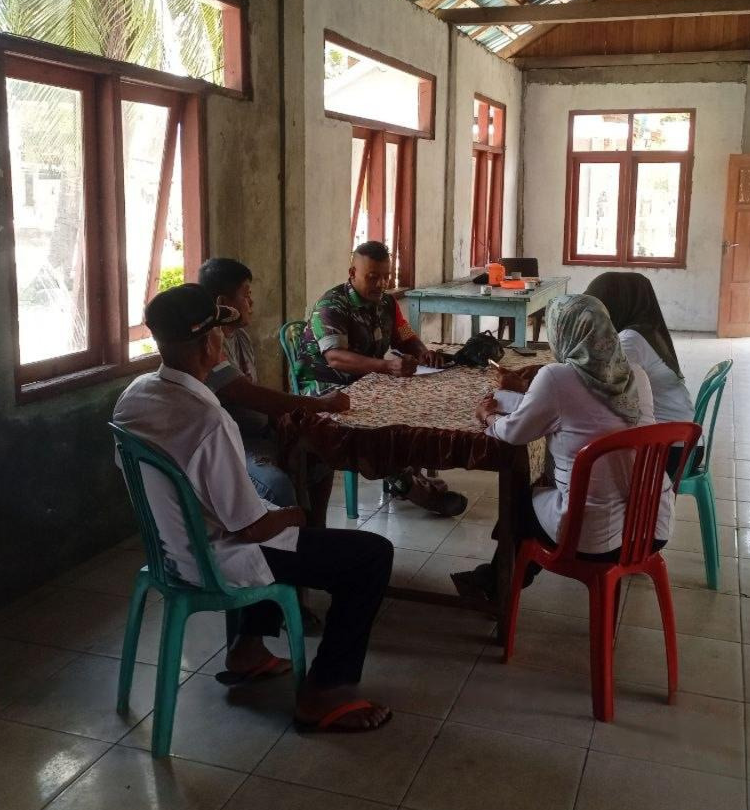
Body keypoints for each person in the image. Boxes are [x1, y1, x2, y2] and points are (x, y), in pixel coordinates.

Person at [113, 284, 393, 731]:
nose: (222, 340)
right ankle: (324, 692)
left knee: (277, 519)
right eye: (219, 333)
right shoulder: (208, 420)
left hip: (168, 551)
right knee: (370, 556)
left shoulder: (136, 395)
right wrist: (296, 515)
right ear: (210, 344)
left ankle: (248, 650)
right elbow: (252, 529)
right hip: (213, 558)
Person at [451, 294, 671, 603]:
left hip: (594, 537)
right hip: (652, 527)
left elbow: (514, 433)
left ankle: (500, 584)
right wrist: (522, 397)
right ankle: (495, 579)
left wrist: (487, 416)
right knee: (539, 499)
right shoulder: (635, 375)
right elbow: (579, 408)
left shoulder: (557, 377)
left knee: (521, 502)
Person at [297, 241, 467, 517]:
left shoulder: (386, 302)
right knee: (379, 419)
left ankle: (408, 470)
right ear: (352, 273)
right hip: (326, 387)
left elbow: (405, 336)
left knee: (417, 400)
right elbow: (335, 357)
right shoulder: (331, 305)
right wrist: (386, 366)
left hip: (368, 381)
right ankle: (411, 486)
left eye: (386, 277)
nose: (380, 284)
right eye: (372, 277)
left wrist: (423, 353)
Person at [197, 257, 346, 521]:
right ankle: (291, 543)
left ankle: (316, 533)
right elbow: (246, 394)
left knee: (321, 451)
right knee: (276, 487)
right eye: (246, 295)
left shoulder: (240, 337)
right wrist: (321, 404)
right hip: (235, 441)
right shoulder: (209, 346)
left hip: (260, 431)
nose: (252, 302)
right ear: (223, 303)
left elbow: (254, 395)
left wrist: (284, 418)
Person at [584, 272, 697, 479]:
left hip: (671, 451)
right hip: (684, 441)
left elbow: (601, 384)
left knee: (580, 449)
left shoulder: (630, 340)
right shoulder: (647, 331)